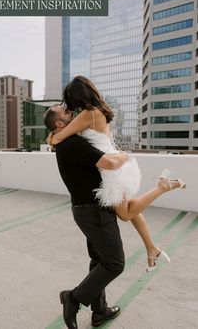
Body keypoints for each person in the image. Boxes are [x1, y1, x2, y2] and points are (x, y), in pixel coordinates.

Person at [50, 76, 186, 272]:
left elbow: (60, 136)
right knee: (131, 210)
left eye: (71, 101)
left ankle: (162, 187)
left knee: (125, 213)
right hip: (117, 165)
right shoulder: (98, 112)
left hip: (112, 169)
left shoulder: (89, 114)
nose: (70, 107)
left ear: (78, 96)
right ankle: (151, 249)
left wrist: (53, 136)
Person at [44, 105, 129, 328]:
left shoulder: (63, 140)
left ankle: (99, 311)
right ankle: (72, 298)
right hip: (94, 211)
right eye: (66, 112)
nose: (71, 112)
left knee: (100, 260)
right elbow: (110, 163)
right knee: (114, 263)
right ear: (59, 124)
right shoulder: (72, 144)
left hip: (86, 210)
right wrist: (124, 156)